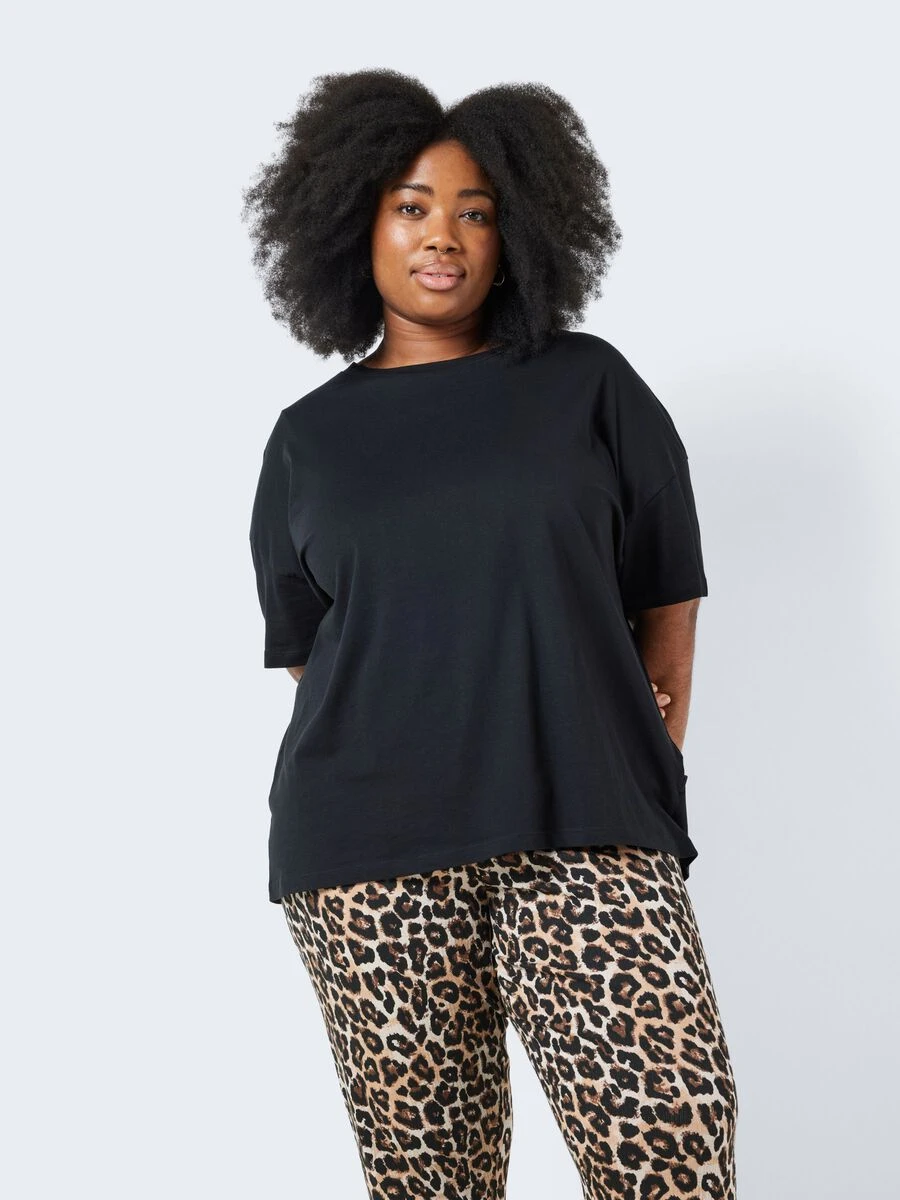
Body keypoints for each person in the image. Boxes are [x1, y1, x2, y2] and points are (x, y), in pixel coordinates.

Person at [244, 69, 738, 1200]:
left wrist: (637, 757)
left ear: (519, 234)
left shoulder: (589, 386)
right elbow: (314, 657)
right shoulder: (307, 442)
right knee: (434, 1181)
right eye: (413, 207)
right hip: (370, 857)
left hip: (584, 825)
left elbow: (668, 590)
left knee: (673, 1135)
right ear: (354, 225)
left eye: (476, 211)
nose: (445, 236)